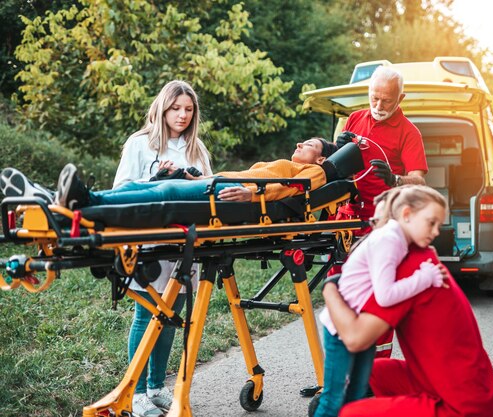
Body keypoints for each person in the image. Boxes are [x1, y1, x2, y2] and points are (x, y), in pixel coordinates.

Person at [321, 195, 493, 417]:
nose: (374, 232)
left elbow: (355, 338)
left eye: (377, 222)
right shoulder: (422, 257)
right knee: (373, 371)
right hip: (466, 389)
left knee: (351, 413)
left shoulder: (408, 269)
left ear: (401, 218)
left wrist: (329, 289)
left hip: (464, 409)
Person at [117, 80, 212, 417]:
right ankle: (136, 392)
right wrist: (157, 180)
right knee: (146, 314)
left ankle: (156, 387)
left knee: (172, 317)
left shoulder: (197, 149)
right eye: (176, 108)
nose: (183, 115)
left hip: (186, 244)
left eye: (188, 109)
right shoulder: (140, 144)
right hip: (149, 243)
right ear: (163, 108)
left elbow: (208, 191)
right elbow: (122, 190)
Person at [314, 185, 449, 417]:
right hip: (340, 329)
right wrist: (424, 278)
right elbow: (385, 295)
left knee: (357, 395)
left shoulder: (399, 238)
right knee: (333, 398)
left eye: (439, 225)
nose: (436, 231)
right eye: (431, 223)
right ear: (407, 214)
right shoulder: (389, 240)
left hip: (362, 325)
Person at [329, 65, 430, 361]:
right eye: (375, 98)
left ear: (401, 98)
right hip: (349, 218)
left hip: (384, 221)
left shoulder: (409, 132)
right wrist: (339, 149)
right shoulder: (355, 118)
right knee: (342, 291)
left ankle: (377, 371)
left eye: (387, 100)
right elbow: (335, 163)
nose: (379, 106)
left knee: (378, 294)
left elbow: (419, 179)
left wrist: (396, 180)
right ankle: (338, 367)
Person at [54, 137, 338, 210]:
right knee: (150, 186)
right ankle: (85, 197)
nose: (300, 144)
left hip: (231, 192)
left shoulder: (315, 172)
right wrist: (193, 178)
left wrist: (251, 194)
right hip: (220, 183)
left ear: (321, 157)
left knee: (166, 192)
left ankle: (87, 201)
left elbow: (292, 187)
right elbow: (231, 173)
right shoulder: (276, 163)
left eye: (310, 144)